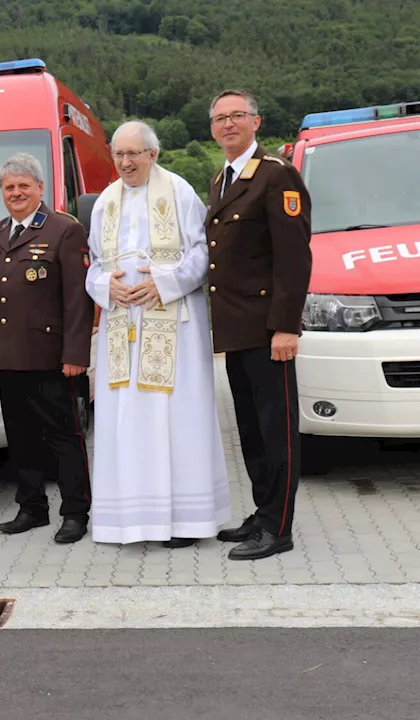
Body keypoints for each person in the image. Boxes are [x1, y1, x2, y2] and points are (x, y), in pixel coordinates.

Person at [84, 123, 231, 547]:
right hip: (122, 326)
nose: (127, 163)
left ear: (154, 154)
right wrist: (104, 287)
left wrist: (163, 283)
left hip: (173, 329)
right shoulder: (104, 203)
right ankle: (131, 521)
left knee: (176, 421)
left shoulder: (179, 191)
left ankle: (186, 522)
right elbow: (94, 263)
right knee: (126, 422)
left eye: (135, 154)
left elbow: (204, 253)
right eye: (119, 155)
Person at [206, 89, 313, 560]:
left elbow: (293, 258)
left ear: (256, 121)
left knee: (277, 430)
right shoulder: (221, 179)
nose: (228, 124)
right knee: (250, 429)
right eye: (220, 118)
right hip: (235, 331)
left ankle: (280, 527)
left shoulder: (276, 175)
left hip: (269, 332)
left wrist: (286, 327)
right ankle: (262, 512)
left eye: (237, 116)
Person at [0, 153, 93, 544]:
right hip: (9, 356)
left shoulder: (63, 230)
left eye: (24, 185)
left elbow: (78, 300)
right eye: (9, 187)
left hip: (51, 358)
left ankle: (75, 512)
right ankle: (31, 507)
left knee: (63, 437)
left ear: (40, 188)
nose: (16, 192)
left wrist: (76, 355)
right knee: (21, 438)